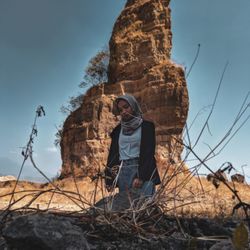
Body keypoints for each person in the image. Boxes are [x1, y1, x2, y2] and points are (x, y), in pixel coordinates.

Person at [105, 94, 161, 197]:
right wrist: (109, 179)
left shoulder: (147, 127)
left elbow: (149, 153)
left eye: (126, 107)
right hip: (124, 171)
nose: (123, 112)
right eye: (120, 110)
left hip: (144, 168)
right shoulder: (117, 131)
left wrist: (141, 176)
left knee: (145, 204)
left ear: (133, 106)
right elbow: (113, 154)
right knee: (127, 206)